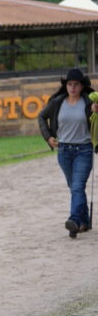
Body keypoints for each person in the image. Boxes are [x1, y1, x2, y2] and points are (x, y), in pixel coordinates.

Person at [38, 68, 98, 238]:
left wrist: (96, 111)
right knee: (74, 188)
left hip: (84, 150)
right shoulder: (57, 102)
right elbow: (41, 117)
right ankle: (84, 221)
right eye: (69, 84)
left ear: (81, 86)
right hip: (64, 151)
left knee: (78, 186)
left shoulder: (89, 103)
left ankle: (74, 221)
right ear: (66, 86)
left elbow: (96, 123)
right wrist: (49, 137)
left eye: (76, 84)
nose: (72, 88)